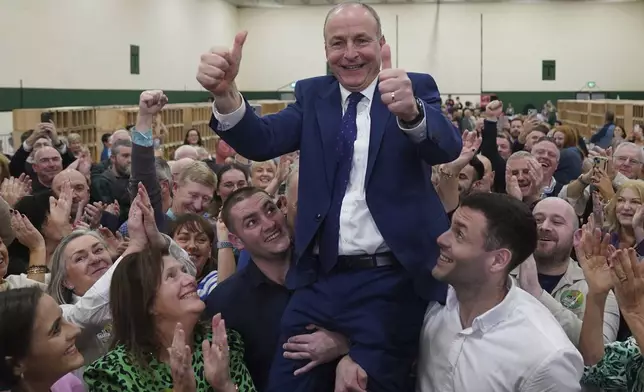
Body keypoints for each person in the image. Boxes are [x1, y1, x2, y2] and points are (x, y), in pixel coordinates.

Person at [197, 2, 460, 390]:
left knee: (365, 383)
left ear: (382, 43)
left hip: (393, 280)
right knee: (288, 380)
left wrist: (412, 114)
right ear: (325, 51)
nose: (350, 53)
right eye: (338, 43)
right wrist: (226, 94)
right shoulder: (312, 96)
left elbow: (446, 147)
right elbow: (262, 139)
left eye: (361, 41)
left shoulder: (411, 87)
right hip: (322, 279)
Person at [417, 192, 584, 392]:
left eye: (459, 234)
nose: (442, 239)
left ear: (498, 260)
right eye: (450, 228)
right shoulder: (435, 300)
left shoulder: (546, 355)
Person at [0, 287, 85, 392]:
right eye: (56, 329)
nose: (76, 330)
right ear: (17, 363)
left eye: (63, 317)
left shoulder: (69, 384)